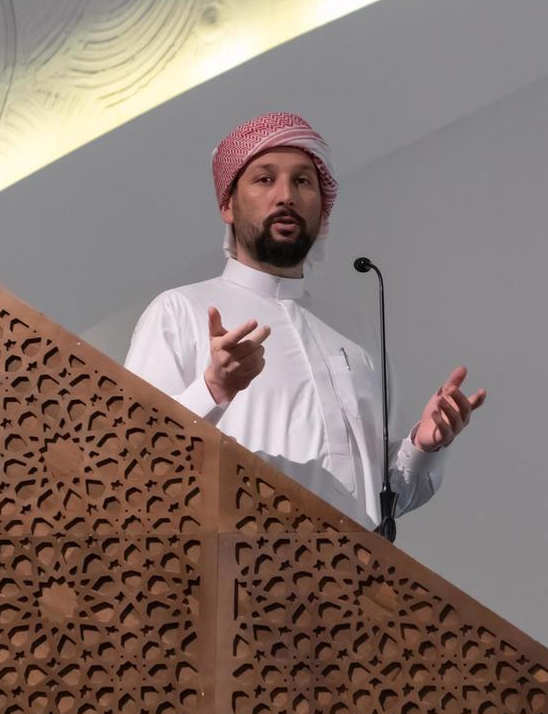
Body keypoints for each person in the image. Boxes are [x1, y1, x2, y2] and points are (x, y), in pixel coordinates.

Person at [124, 111, 485, 531]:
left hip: (360, 587)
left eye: (302, 181)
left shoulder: (358, 333)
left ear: (322, 205)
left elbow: (391, 499)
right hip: (239, 577)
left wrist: (424, 446)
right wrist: (213, 389)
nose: (286, 196)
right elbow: (137, 455)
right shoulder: (179, 311)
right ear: (227, 204)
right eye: (264, 179)